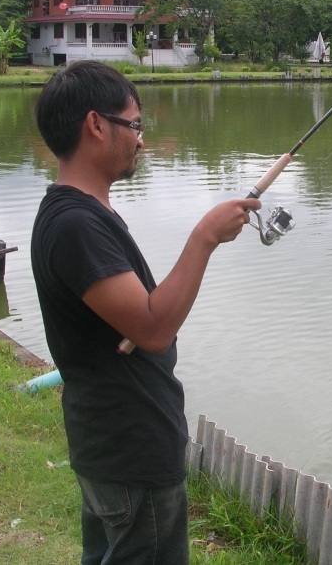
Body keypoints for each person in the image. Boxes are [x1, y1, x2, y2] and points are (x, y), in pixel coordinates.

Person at [30, 60, 261, 564]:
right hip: (129, 450)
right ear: (96, 125)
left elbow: (134, 320)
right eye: (134, 125)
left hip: (113, 445)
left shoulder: (84, 214)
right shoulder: (75, 225)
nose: (141, 140)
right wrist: (205, 238)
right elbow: (154, 328)